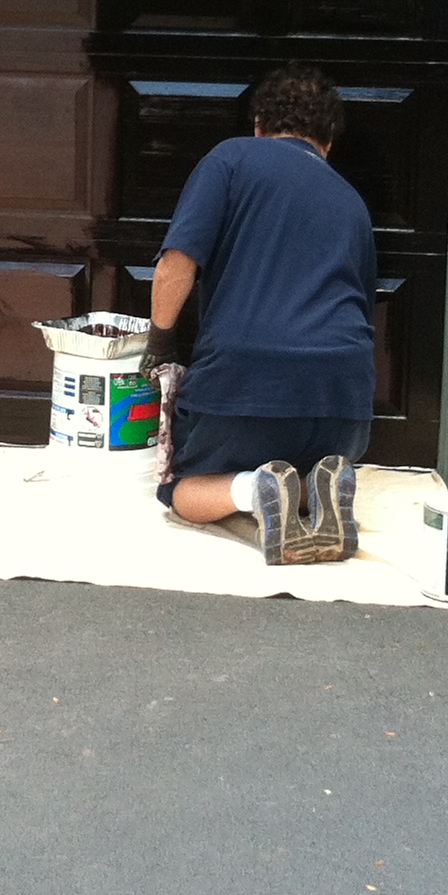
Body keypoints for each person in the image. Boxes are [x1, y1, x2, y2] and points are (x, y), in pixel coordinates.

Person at [151, 64, 376, 564]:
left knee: (181, 490)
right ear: (328, 140)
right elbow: (363, 307)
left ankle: (255, 489)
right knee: (301, 466)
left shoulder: (231, 158)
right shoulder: (352, 201)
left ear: (258, 125)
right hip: (344, 405)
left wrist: (160, 341)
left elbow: (177, 263)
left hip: (246, 389)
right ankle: (313, 489)